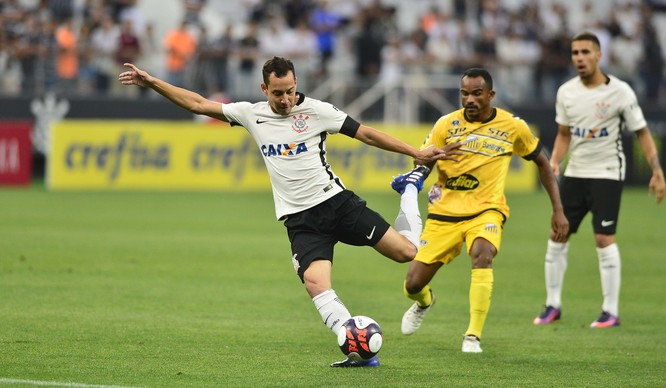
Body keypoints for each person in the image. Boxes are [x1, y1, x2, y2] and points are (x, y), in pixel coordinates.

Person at [118, 56, 460, 367]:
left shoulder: (317, 111)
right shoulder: (251, 113)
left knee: (407, 253)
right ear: (264, 88)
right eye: (278, 93)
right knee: (315, 283)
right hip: (300, 220)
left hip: (336, 204)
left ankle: (409, 187)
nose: (285, 100)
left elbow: (366, 134)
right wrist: (153, 83)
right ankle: (356, 345)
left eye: (290, 92)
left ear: (297, 85)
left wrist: (416, 152)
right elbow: (197, 103)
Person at [393, 67, 569, 353]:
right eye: (465, 94)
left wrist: (557, 210)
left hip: (486, 211)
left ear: (491, 95)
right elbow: (422, 162)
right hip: (443, 214)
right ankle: (425, 301)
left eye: (477, 93)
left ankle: (472, 336)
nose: (470, 100)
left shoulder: (513, 126)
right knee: (412, 284)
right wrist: (422, 169)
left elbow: (542, 161)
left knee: (482, 254)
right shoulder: (445, 125)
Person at [532, 32, 666, 328]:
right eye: (574, 52)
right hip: (575, 173)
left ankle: (611, 310)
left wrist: (656, 170)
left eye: (585, 52)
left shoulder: (620, 92)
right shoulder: (566, 92)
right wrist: (555, 161)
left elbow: (642, 132)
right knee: (557, 235)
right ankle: (552, 305)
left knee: (604, 239)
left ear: (599, 55)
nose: (579, 58)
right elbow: (564, 134)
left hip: (607, 173)